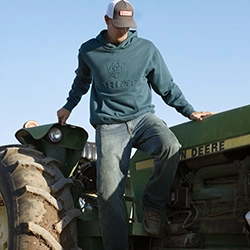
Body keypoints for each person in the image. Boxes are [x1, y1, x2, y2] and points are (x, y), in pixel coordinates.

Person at [57, 1, 214, 249]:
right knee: (108, 195)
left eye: (128, 26)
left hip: (143, 119)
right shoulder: (89, 51)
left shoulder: (146, 49)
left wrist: (189, 111)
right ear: (107, 21)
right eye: (119, 26)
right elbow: (81, 82)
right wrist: (69, 105)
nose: (124, 31)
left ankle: (152, 204)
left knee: (170, 146)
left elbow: (167, 87)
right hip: (109, 126)